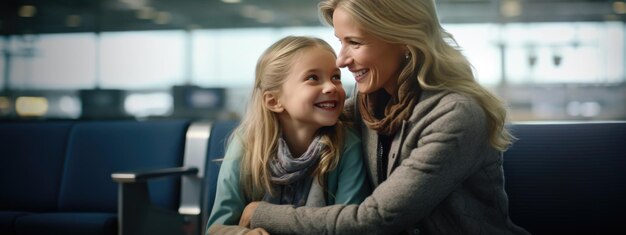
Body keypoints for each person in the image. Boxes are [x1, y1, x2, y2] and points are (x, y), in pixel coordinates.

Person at [238, 0, 530, 234]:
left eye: (354, 42)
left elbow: (376, 219)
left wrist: (260, 214)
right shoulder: (367, 105)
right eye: (340, 41)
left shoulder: (455, 115)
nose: (341, 60)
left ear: (403, 39)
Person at [206, 36, 370, 235]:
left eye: (336, 77)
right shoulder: (247, 144)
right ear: (274, 101)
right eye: (312, 78)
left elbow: (348, 227)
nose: (331, 87)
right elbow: (216, 228)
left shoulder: (347, 145)